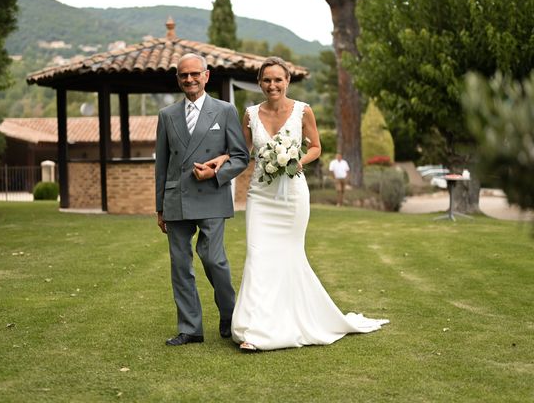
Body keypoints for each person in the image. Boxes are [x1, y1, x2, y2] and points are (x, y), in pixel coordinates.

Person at [211, 56, 388, 351]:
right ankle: (255, 329)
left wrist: (297, 160)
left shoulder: (303, 111)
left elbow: (317, 147)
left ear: (287, 81)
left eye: (278, 79)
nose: (272, 85)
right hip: (261, 195)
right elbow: (241, 152)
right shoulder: (250, 115)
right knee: (257, 256)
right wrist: (219, 161)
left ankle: (287, 321)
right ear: (259, 83)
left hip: (292, 195)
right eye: (266, 80)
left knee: (288, 256)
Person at [155, 53, 249, 346]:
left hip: (212, 196)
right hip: (176, 200)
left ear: (206, 76)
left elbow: (240, 157)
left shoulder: (224, 111)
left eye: (195, 74)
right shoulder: (167, 115)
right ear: (178, 79)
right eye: (184, 75)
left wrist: (215, 174)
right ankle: (190, 328)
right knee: (180, 265)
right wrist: (159, 207)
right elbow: (162, 165)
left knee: (213, 259)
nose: (189, 79)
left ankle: (228, 313)